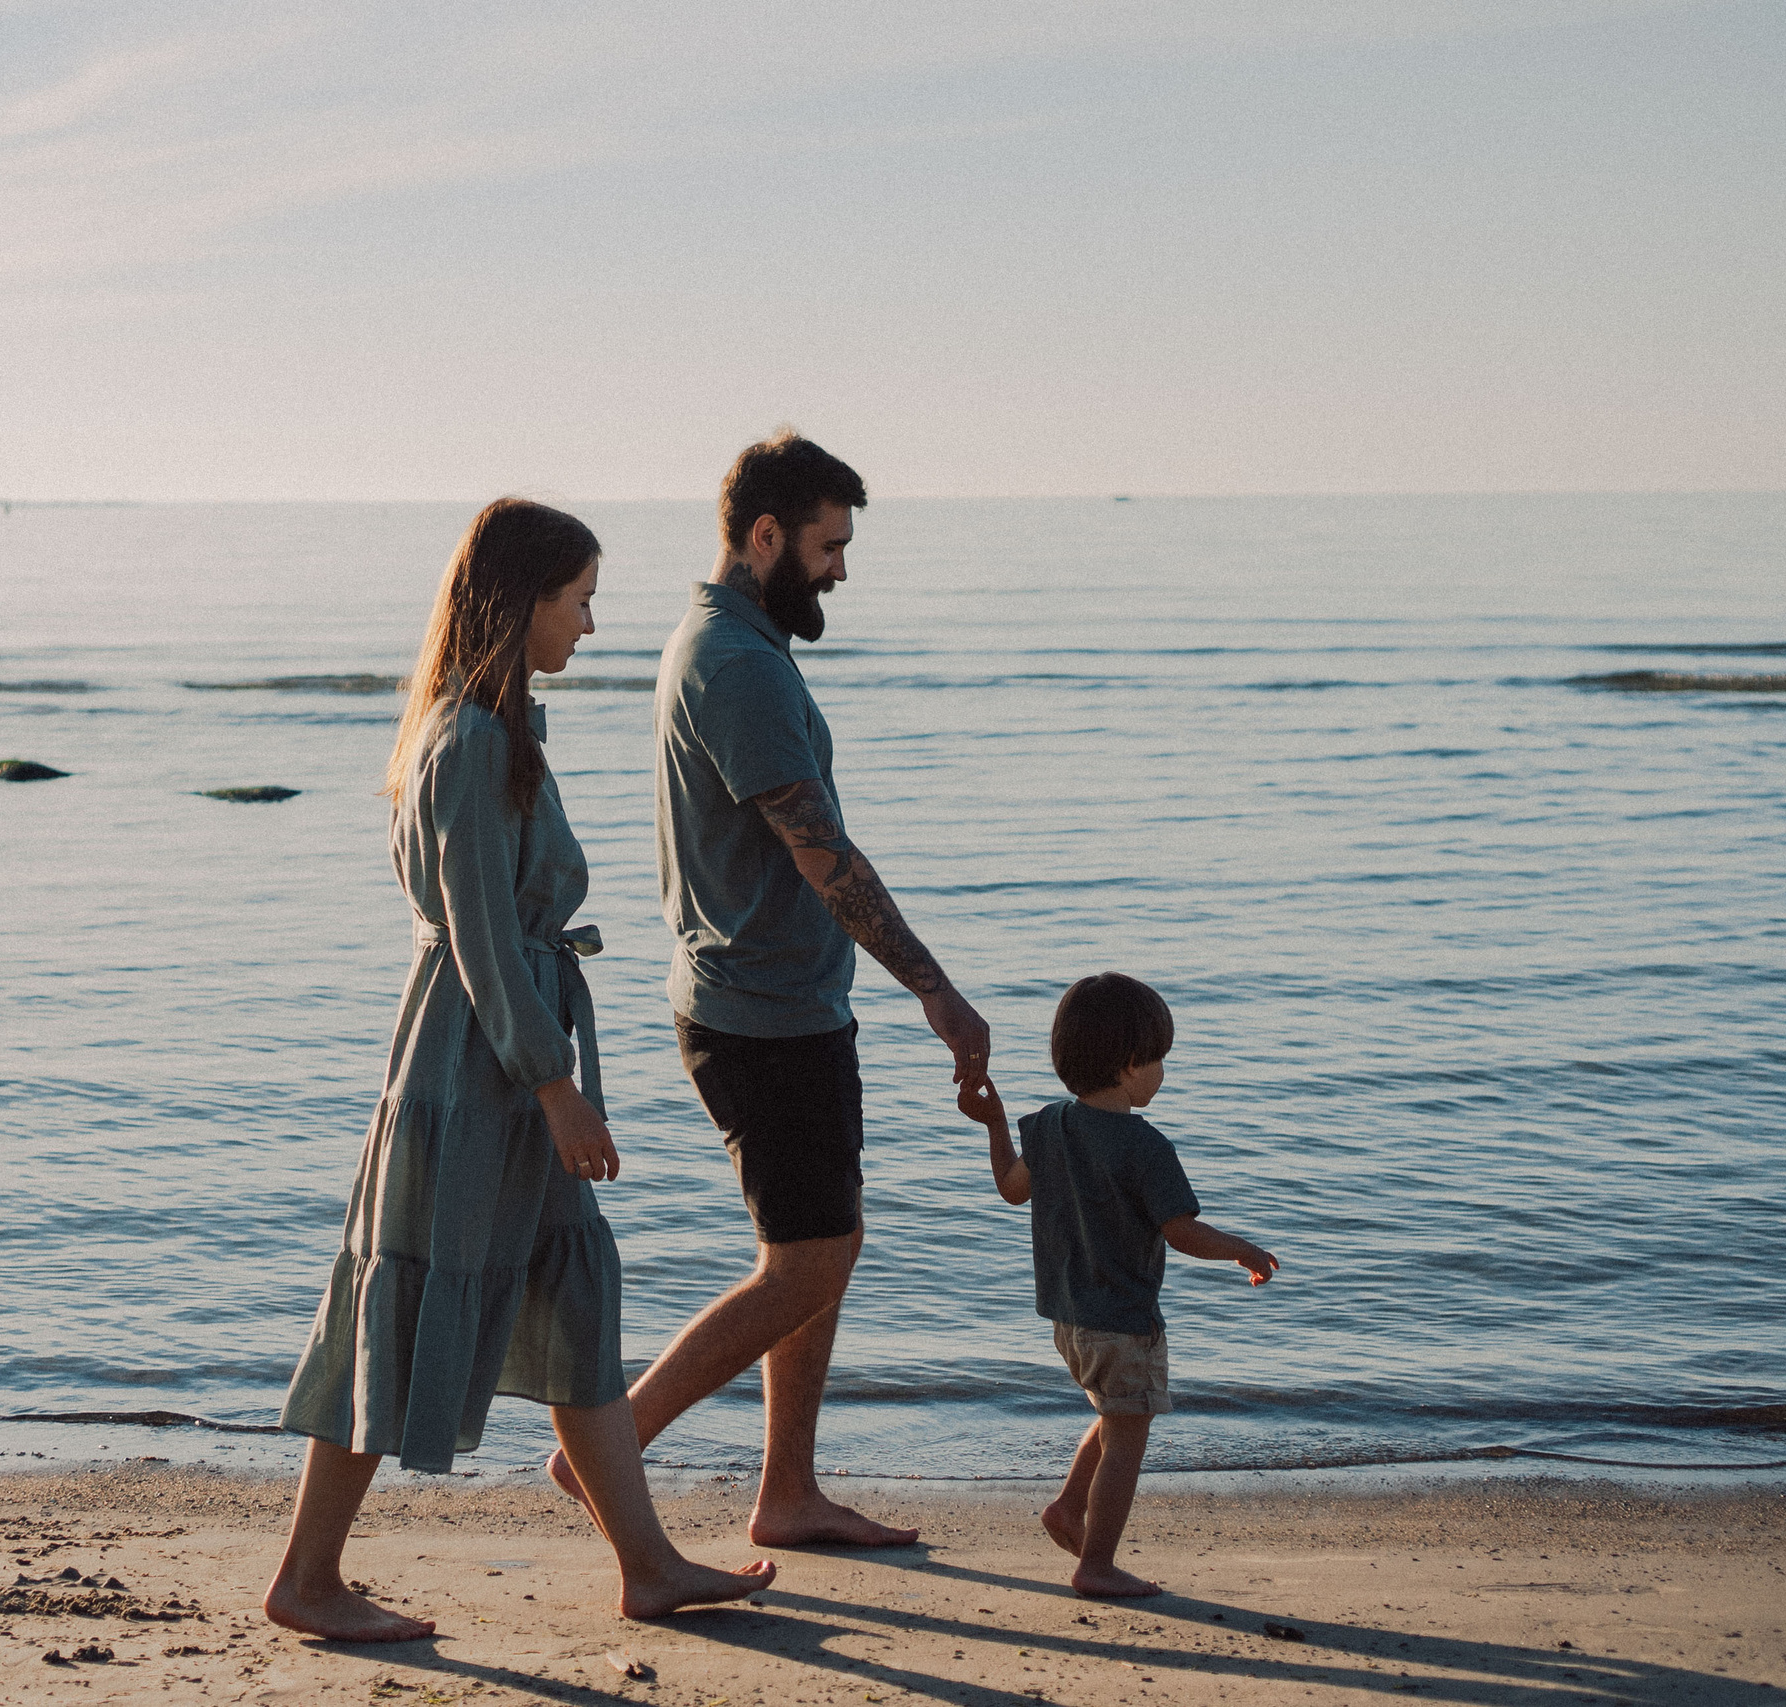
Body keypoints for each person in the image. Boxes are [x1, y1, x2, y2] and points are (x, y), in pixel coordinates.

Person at [265, 499, 775, 1639]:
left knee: (573, 1289)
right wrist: (556, 1086)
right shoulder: (472, 744)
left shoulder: (487, 730)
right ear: (521, 601)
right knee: (403, 1291)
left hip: (495, 1051)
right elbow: (487, 940)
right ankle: (306, 1579)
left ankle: (646, 1564)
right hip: (478, 1070)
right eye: (579, 600)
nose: (591, 626)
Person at [549, 431, 992, 1549]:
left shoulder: (732, 640)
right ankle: (609, 1442)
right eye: (828, 545)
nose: (840, 568)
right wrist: (936, 993)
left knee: (816, 1247)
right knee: (811, 1260)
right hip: (759, 1012)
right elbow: (819, 852)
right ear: (764, 536)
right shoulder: (736, 664)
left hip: (782, 999)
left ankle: (785, 1493)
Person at [959, 972, 1279, 1598]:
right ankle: (1096, 1564)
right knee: (1128, 1436)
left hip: (1067, 1318)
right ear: (1132, 1066)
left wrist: (994, 1123)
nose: (1162, 1072)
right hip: (1123, 1318)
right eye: (1159, 1060)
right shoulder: (1145, 1146)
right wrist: (1244, 1250)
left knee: (1117, 1414)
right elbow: (1181, 1232)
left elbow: (1011, 1189)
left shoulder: (1048, 1125)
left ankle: (1066, 1510)